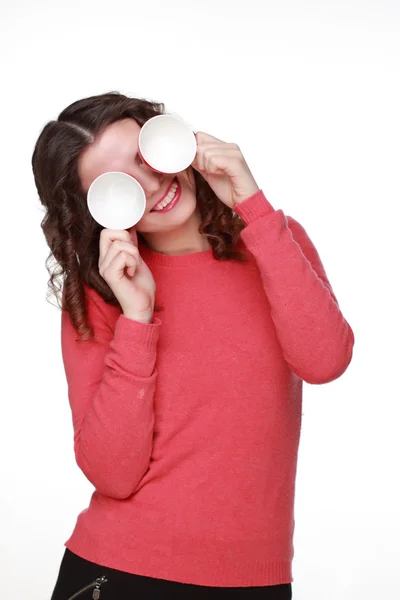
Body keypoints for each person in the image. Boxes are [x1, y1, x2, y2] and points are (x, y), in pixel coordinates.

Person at [31, 91, 355, 600]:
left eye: (146, 156)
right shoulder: (102, 295)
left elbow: (325, 361)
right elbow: (113, 473)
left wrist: (254, 206)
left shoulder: (273, 239)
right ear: (96, 211)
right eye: (120, 185)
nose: (153, 183)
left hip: (256, 579)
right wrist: (137, 318)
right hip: (119, 572)